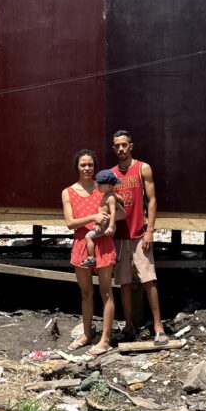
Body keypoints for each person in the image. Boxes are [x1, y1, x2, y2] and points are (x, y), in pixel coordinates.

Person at [61, 149, 126, 356]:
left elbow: (122, 213)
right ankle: (87, 334)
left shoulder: (104, 189)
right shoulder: (68, 192)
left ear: (95, 167)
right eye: (83, 165)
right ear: (77, 167)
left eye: (90, 165)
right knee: (86, 292)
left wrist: (108, 216)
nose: (87, 168)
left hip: (103, 243)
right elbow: (70, 223)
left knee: (106, 291)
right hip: (82, 244)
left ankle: (105, 339)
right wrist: (94, 217)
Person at [110, 130, 167, 344]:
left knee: (148, 279)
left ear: (131, 146)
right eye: (117, 146)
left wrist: (150, 230)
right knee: (124, 282)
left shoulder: (142, 168)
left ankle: (159, 326)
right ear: (113, 148)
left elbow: (151, 200)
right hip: (119, 237)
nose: (121, 149)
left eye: (124, 145)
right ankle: (128, 326)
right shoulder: (111, 174)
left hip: (139, 233)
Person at [80, 170, 119, 268]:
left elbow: (113, 212)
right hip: (102, 223)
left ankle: (91, 258)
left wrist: (110, 226)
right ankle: (114, 256)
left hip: (106, 225)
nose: (98, 187)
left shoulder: (110, 197)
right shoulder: (108, 195)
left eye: (100, 185)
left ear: (110, 186)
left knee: (88, 236)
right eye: (98, 184)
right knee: (109, 241)